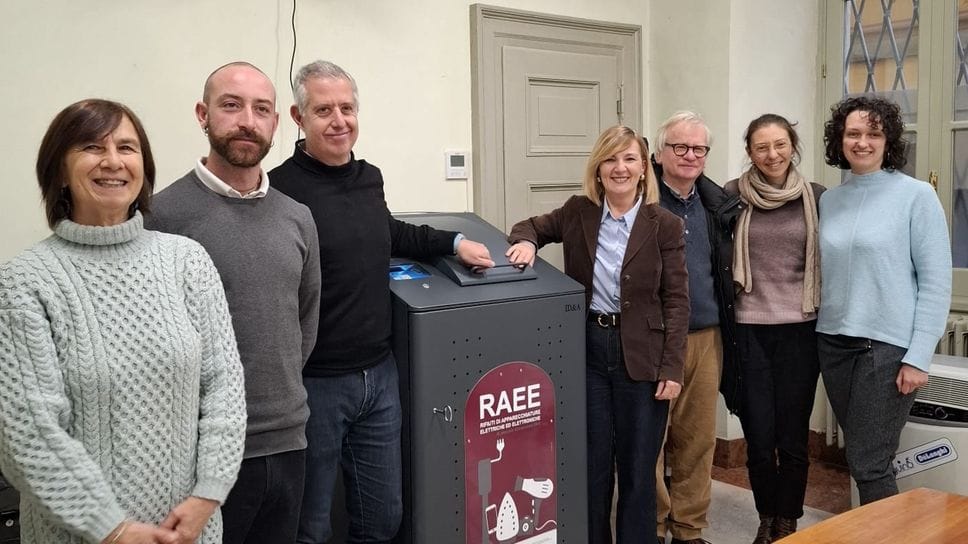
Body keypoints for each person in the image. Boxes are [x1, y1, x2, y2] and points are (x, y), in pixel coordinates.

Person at [268, 59, 495, 544]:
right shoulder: (280, 189)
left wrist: (454, 243)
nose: (338, 120)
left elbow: (389, 232)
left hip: (380, 377)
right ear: (298, 116)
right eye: (324, 109)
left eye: (347, 108)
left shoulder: (368, 176)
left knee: (382, 517)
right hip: (316, 384)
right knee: (309, 524)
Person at [0, 99, 246, 544]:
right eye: (92, 147)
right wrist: (111, 529)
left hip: (189, 529)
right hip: (77, 535)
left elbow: (224, 387)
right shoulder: (23, 282)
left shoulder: (186, 262)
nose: (113, 161)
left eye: (127, 148)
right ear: (59, 170)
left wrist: (208, 496)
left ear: (144, 167)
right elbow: (24, 432)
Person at [145, 62, 322, 544]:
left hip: (288, 440)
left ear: (276, 123)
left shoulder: (298, 218)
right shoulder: (161, 216)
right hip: (200, 452)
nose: (247, 120)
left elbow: (305, 321)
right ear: (203, 114)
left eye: (261, 109)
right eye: (231, 105)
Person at [507, 125, 688, 544]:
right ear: (598, 167)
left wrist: (672, 367)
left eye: (629, 159)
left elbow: (677, 300)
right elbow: (528, 226)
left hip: (643, 358)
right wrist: (529, 244)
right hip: (588, 352)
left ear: (644, 168)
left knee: (639, 472)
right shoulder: (579, 211)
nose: (619, 168)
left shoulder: (665, 225)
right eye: (610, 159)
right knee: (591, 467)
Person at [818, 96, 951, 505]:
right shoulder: (829, 200)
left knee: (870, 462)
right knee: (859, 459)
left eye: (873, 133)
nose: (862, 142)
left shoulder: (916, 196)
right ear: (839, 141)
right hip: (833, 344)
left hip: (887, 349)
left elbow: (936, 281)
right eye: (853, 133)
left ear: (888, 139)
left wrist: (918, 356)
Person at [724, 114, 824, 543]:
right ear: (749, 151)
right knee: (759, 435)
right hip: (748, 330)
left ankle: (788, 519)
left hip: (801, 330)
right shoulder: (731, 196)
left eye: (780, 144)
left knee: (793, 437)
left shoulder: (816, 196)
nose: (772, 155)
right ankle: (767, 516)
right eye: (761, 147)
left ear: (793, 145)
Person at [653, 110, 742, 544]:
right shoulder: (640, 198)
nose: (690, 155)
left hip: (707, 335)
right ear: (659, 151)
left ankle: (689, 529)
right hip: (652, 338)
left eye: (699, 149)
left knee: (697, 440)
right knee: (649, 441)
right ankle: (650, 526)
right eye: (680, 147)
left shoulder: (715, 204)